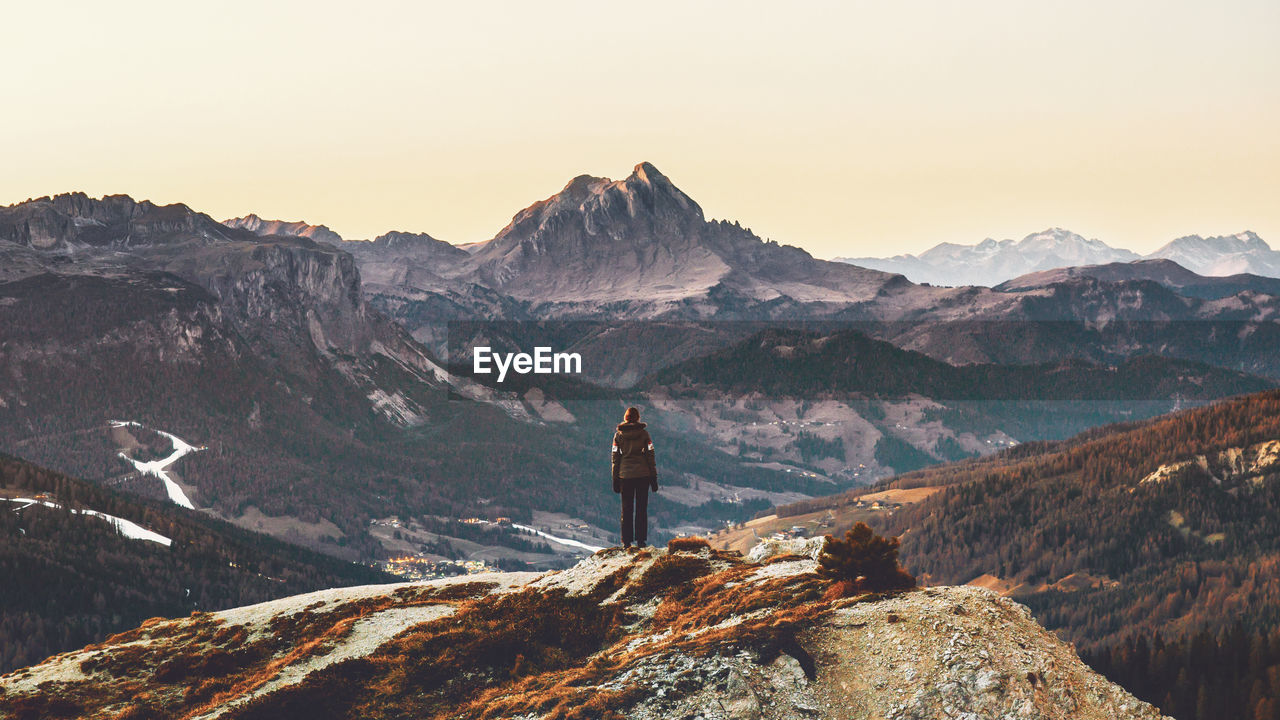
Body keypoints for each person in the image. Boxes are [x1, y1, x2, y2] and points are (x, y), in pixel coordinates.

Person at [611, 406, 658, 548]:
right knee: (641, 508)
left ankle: (626, 541)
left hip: (625, 476)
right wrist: (653, 477)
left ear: (625, 418)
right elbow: (650, 454)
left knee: (626, 508)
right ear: (638, 418)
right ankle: (641, 540)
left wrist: (615, 478)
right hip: (643, 474)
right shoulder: (644, 434)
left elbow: (615, 457)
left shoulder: (618, 435)